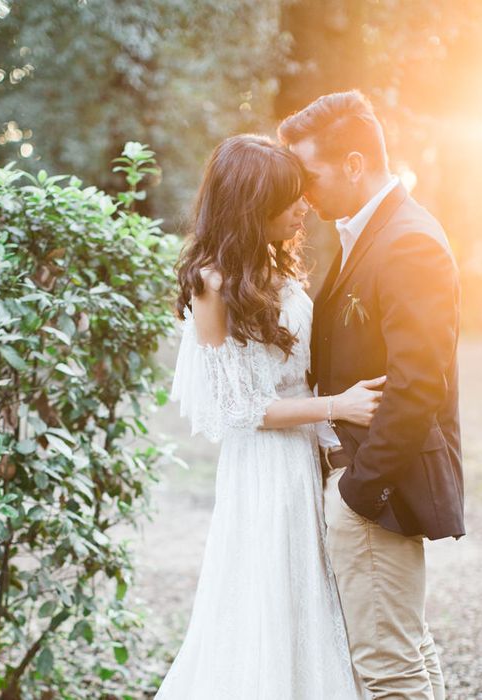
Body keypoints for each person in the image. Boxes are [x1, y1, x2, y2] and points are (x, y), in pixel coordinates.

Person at [156, 134, 381, 699]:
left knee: (312, 597)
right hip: (265, 467)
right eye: (288, 199)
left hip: (306, 453)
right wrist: (337, 405)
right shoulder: (213, 282)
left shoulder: (271, 263)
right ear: (252, 205)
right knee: (271, 599)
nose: (303, 207)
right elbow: (236, 408)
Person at [278, 90, 464, 700]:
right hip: (365, 484)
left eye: (310, 174)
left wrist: (361, 491)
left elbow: (418, 386)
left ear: (354, 164)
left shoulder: (407, 240)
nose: (302, 191)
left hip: (374, 490)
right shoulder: (367, 231)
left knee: (387, 672)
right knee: (407, 654)